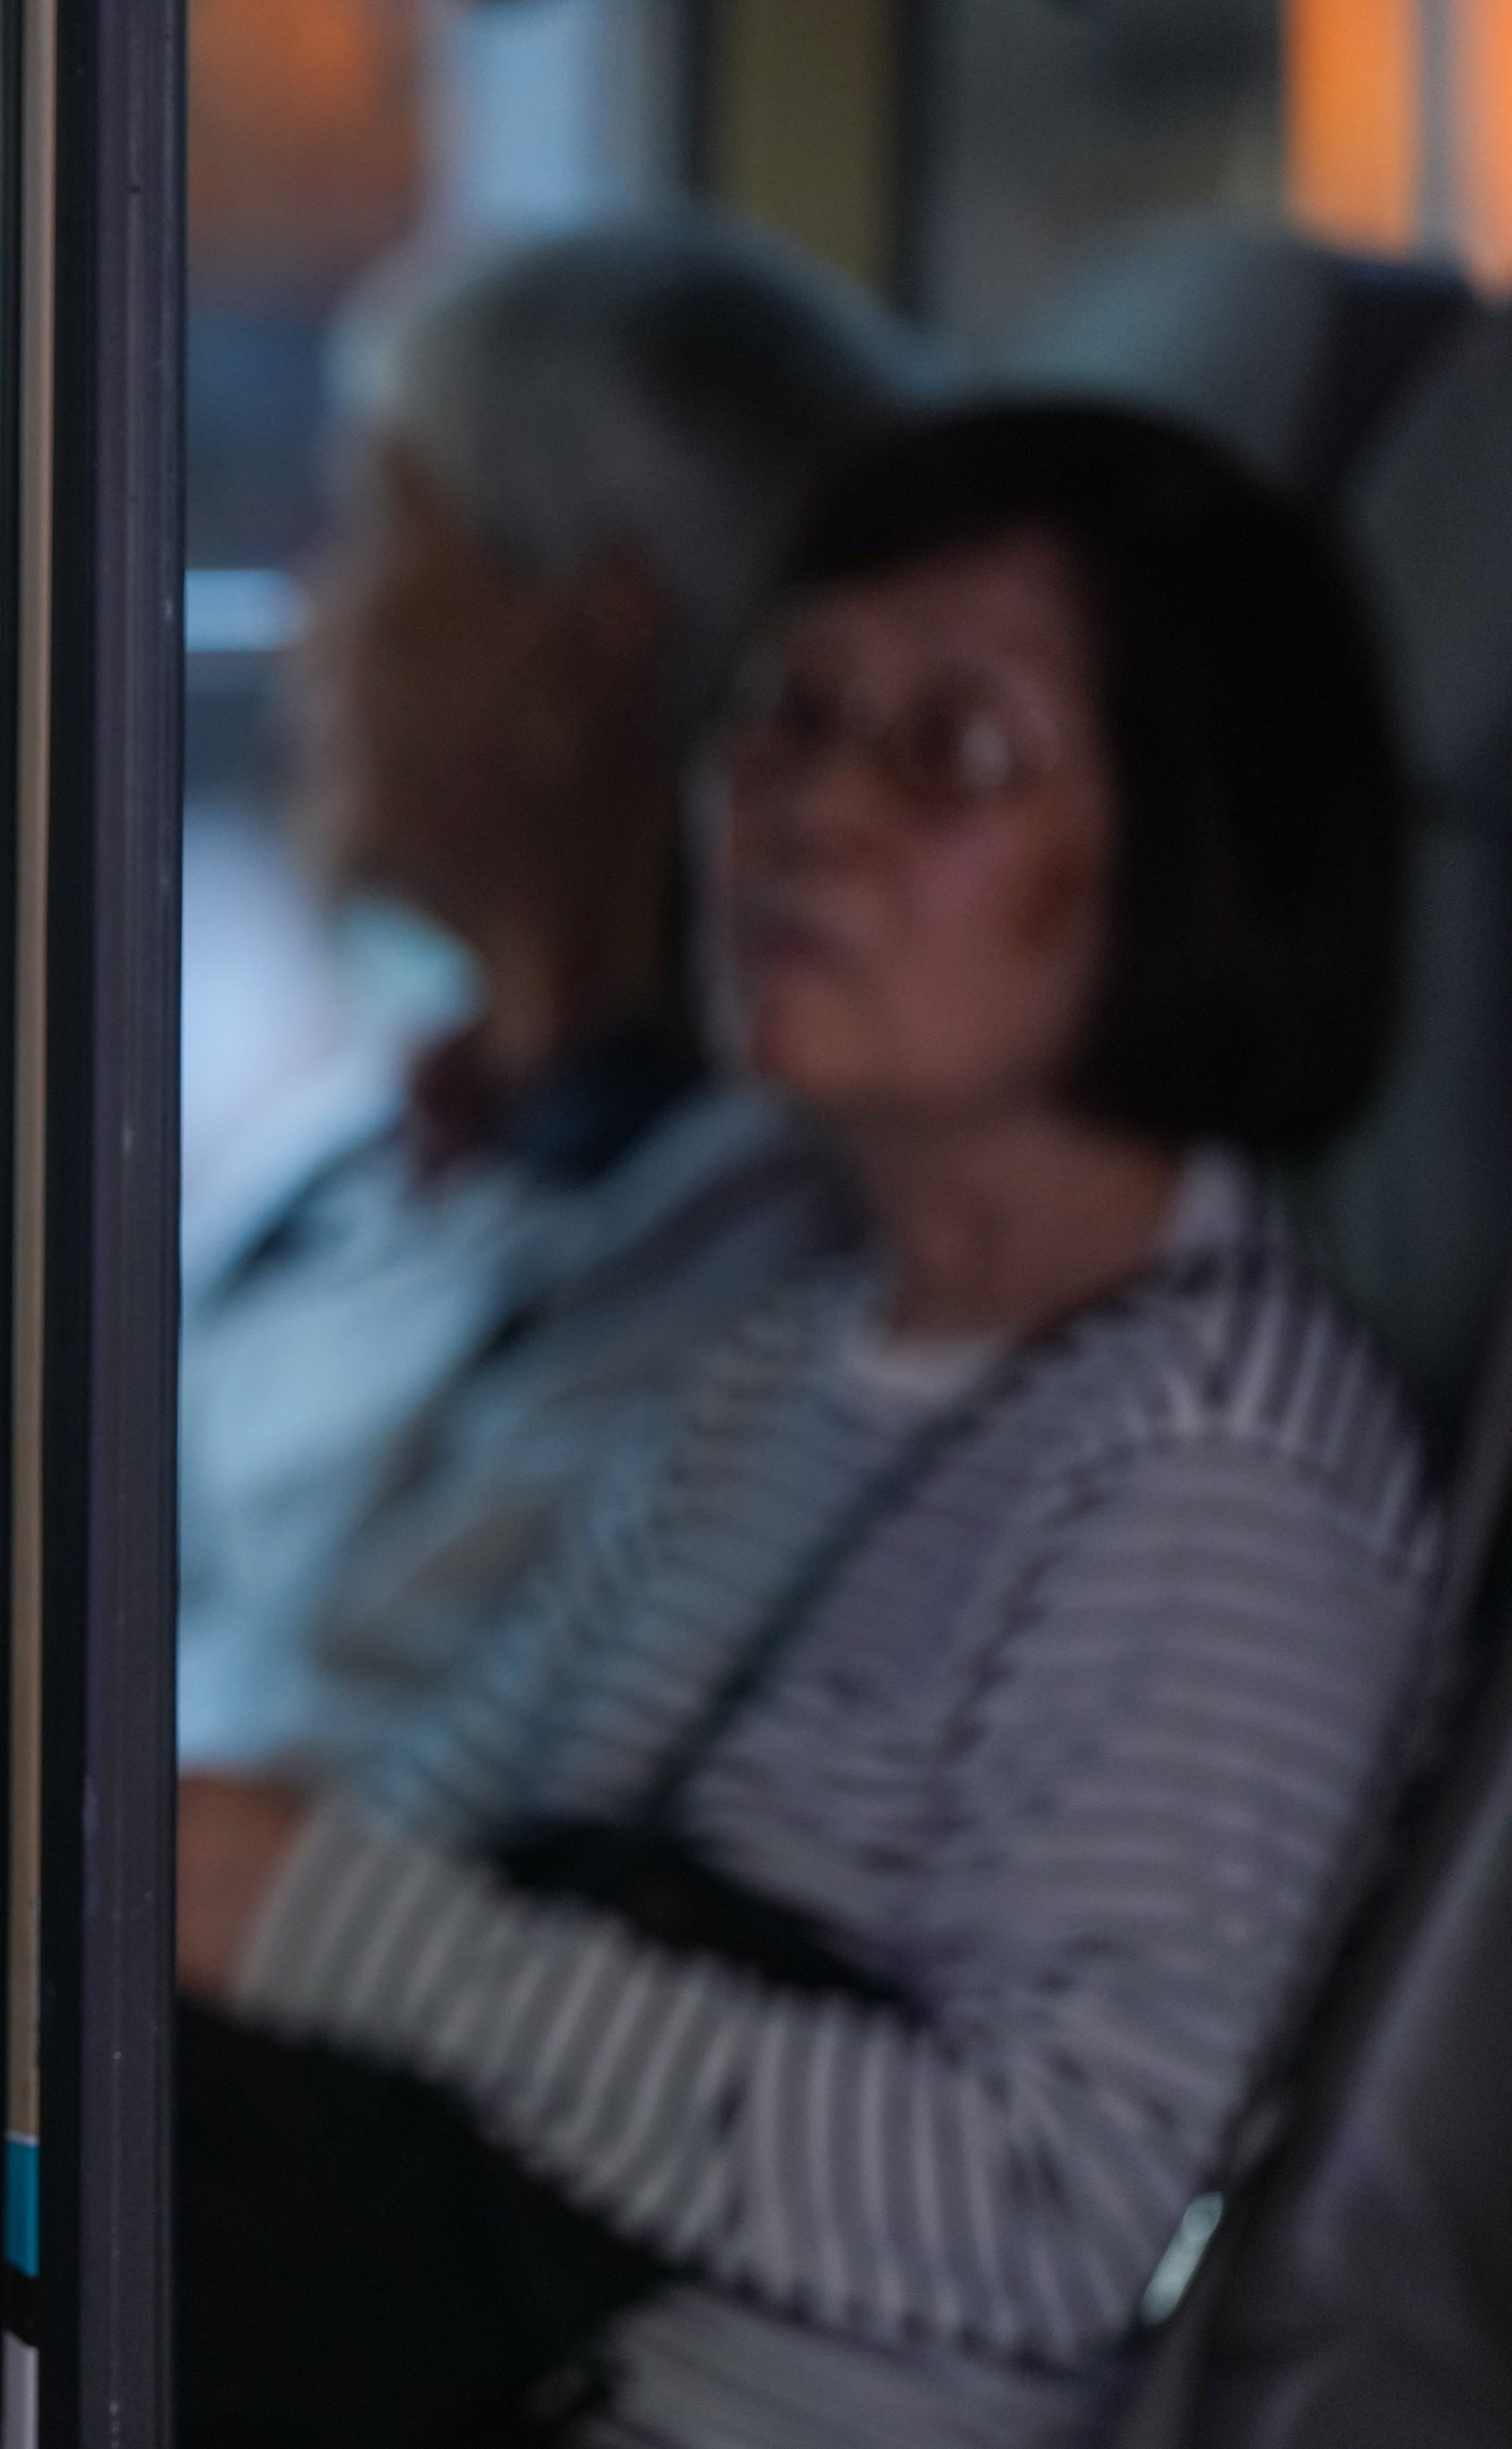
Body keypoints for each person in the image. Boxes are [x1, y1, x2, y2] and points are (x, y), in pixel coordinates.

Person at [171, 402, 1441, 2449]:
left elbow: (1067, 2217)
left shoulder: (1217, 1463)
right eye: (782, 715)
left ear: (1192, 848)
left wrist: (333, 1924)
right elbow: (443, 1819)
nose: (800, 812)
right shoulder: (790, 1360)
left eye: (943, 750)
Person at [0, 218, 929, 1785]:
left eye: (370, 533)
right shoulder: (365, 1143)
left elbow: (316, 1805)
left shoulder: (732, 1254)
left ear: (584, 646)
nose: (309, 624)